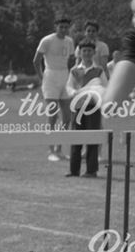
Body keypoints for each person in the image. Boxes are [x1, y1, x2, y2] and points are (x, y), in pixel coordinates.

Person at [34, 16, 75, 161]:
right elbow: (36, 60)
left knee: (67, 117)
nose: (63, 30)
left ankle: (59, 149)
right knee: (52, 115)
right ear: (56, 26)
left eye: (66, 27)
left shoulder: (70, 41)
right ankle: (51, 150)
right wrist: (41, 77)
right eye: (61, 27)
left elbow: (71, 61)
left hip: (64, 76)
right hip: (50, 76)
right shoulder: (47, 40)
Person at [65, 40, 107, 178]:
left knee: (92, 138)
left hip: (93, 108)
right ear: (80, 52)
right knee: (76, 138)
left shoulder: (99, 70)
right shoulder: (74, 70)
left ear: (94, 53)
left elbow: (105, 87)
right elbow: (69, 86)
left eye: (90, 50)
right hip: (77, 107)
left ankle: (91, 170)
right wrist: (73, 93)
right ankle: (74, 170)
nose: (87, 53)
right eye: (84, 51)